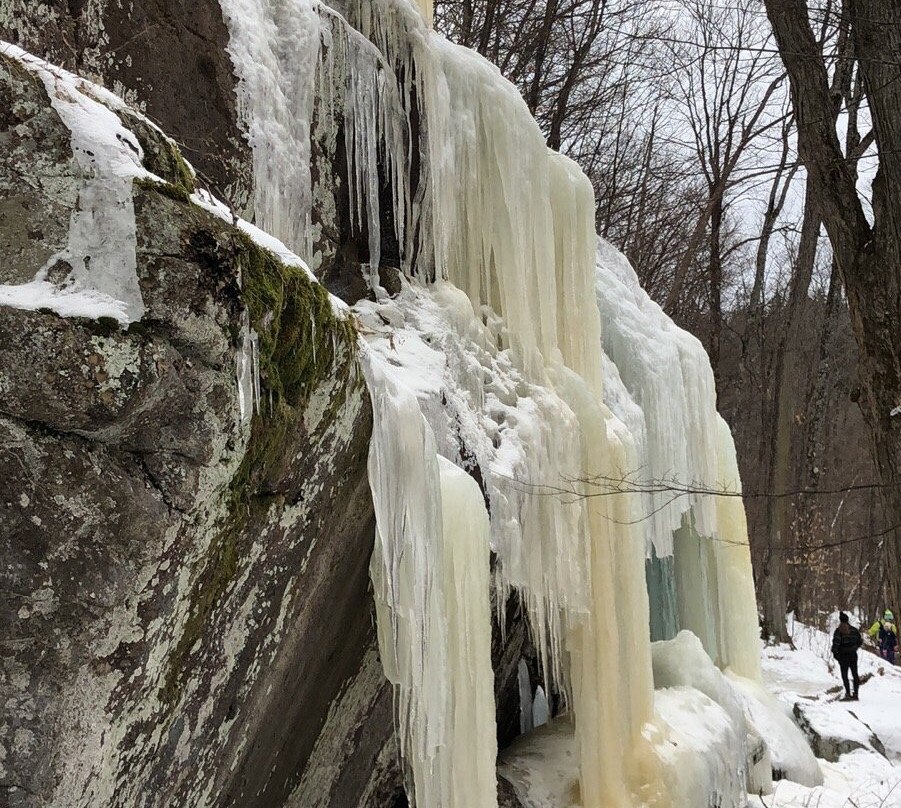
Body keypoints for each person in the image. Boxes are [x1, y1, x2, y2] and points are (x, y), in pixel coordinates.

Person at [832, 612, 863, 700]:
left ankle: (848, 693)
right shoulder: (854, 630)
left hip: (843, 655)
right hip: (853, 654)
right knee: (855, 674)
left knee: (844, 675)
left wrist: (836, 654)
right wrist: (855, 648)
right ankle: (856, 694)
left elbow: (836, 643)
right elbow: (860, 641)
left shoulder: (839, 631)